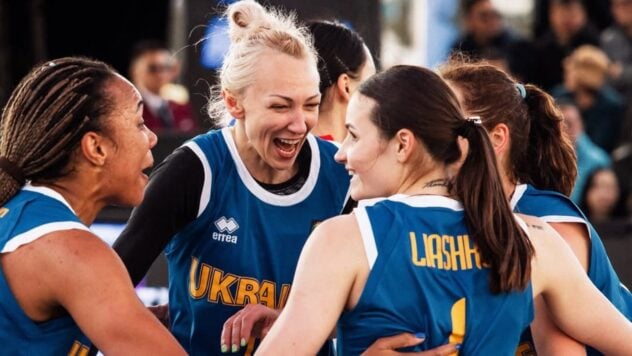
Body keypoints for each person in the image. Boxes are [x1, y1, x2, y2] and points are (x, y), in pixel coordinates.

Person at [255, 65, 632, 355]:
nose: (341, 152)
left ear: (403, 145)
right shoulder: (536, 240)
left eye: (353, 135)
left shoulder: (342, 240)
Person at [112, 1, 350, 354]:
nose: (300, 124)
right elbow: (107, 290)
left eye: (311, 105)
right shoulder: (195, 170)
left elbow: (370, 306)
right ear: (234, 103)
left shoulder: (341, 172)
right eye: (281, 106)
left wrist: (288, 321)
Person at [440, 60, 632, 354]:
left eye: (446, 125)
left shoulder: (546, 222)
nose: (430, 136)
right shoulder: (450, 218)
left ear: (497, 138)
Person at [0, 57, 186, 355]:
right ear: (96, 148)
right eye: (139, 123)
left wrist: (129, 320)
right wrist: (288, 318)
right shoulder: (73, 250)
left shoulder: (19, 214)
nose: (151, 138)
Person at [307, 20, 376, 142]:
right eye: (372, 85)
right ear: (346, 86)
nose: (376, 99)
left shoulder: (280, 155)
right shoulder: (342, 158)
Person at [129, 40, 199, 133]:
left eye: (166, 67)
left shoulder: (181, 108)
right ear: (135, 71)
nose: (160, 74)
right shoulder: (130, 109)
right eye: (153, 68)